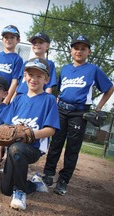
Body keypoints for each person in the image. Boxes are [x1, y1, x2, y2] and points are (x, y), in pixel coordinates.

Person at [42, 35, 114, 196]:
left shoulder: (93, 69)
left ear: (89, 51)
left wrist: (99, 107)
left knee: (72, 148)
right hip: (61, 110)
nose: (79, 51)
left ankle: (63, 181)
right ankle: (48, 175)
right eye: (76, 48)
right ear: (71, 51)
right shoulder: (66, 69)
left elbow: (109, 88)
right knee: (55, 144)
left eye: (83, 48)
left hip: (79, 113)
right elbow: (61, 90)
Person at [0, 57, 60, 210]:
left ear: (46, 79)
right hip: (13, 148)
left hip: (33, 148)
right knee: (5, 190)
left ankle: (20, 191)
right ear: (24, 76)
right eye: (30, 74)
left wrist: (28, 134)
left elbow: (51, 130)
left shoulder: (49, 100)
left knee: (17, 148)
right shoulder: (18, 99)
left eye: (39, 76)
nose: (34, 79)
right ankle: (34, 184)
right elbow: (5, 128)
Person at [11, 32, 57, 101]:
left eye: (40, 42)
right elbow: (19, 84)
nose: (37, 44)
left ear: (47, 46)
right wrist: (12, 99)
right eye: (34, 42)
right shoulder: (26, 63)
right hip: (20, 98)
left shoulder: (49, 64)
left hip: (36, 98)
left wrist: (45, 102)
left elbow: (49, 86)